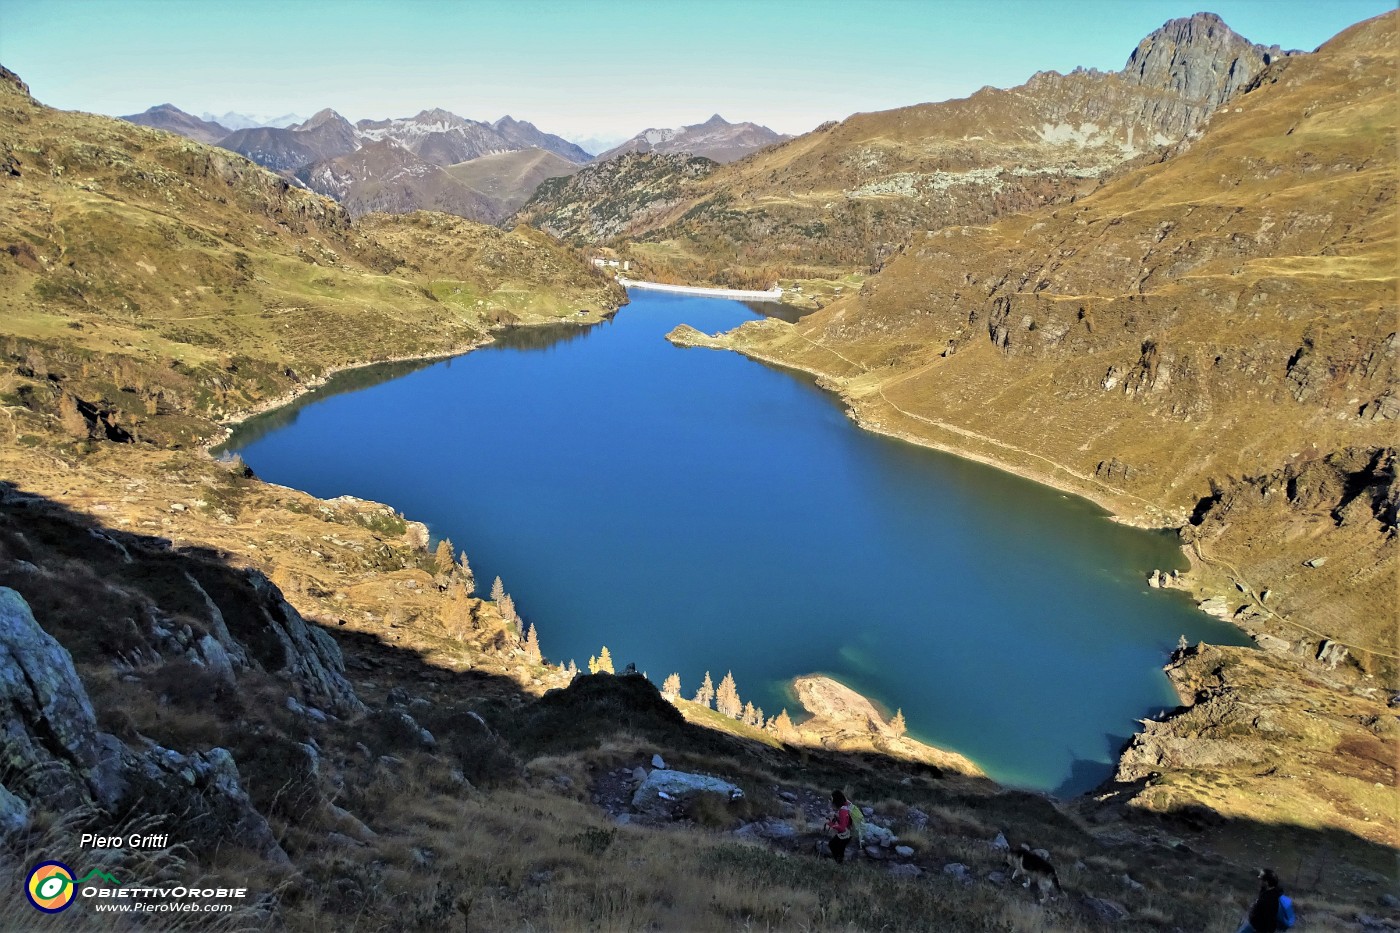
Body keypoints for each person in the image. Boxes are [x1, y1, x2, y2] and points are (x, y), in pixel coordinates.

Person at [1237, 868, 1294, 932]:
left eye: (1261, 879)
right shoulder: (1267, 892)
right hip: (1254, 927)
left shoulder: (1270, 899)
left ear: (1266, 882)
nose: (1259, 881)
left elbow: (1269, 920)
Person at [825, 790, 853, 863]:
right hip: (850, 832)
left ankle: (839, 864)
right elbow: (846, 820)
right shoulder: (846, 805)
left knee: (832, 845)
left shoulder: (842, 811)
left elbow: (842, 828)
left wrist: (830, 824)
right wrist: (837, 818)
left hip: (845, 834)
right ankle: (840, 863)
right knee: (840, 849)